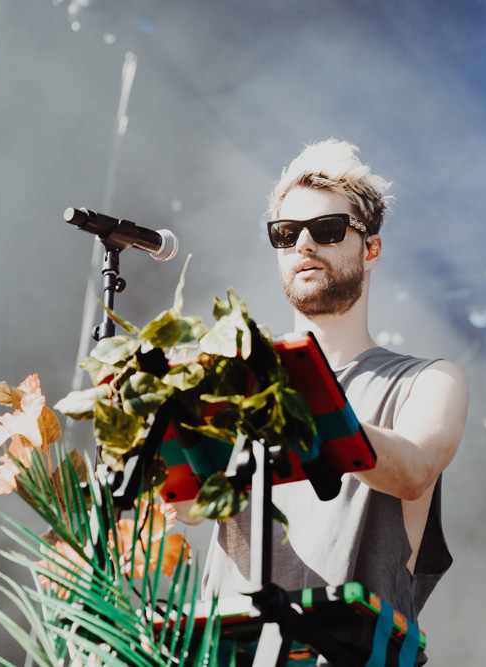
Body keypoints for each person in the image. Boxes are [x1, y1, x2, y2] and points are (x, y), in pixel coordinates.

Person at [199, 139, 468, 664]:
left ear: (371, 249)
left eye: (326, 230)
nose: (303, 245)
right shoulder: (239, 385)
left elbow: (413, 468)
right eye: (286, 233)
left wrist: (308, 408)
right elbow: (189, 507)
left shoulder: (428, 381)